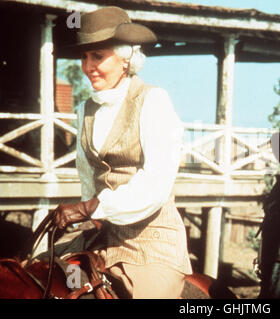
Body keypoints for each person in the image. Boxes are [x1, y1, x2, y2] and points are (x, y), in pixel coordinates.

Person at [53, 6, 192, 298]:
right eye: (84, 57)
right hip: (101, 237)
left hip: (150, 245)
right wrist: (83, 218)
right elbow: (88, 179)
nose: (88, 66)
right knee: (47, 276)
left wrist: (89, 207)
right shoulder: (84, 110)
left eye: (98, 56)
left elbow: (155, 185)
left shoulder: (153, 101)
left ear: (125, 58)